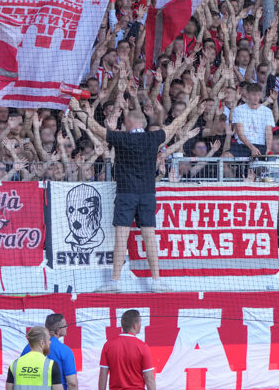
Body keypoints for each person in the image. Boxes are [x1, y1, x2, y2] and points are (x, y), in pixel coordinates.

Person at [69, 97, 198, 292]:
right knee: (149, 237)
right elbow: (175, 125)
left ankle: (115, 282)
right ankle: (156, 281)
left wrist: (77, 109)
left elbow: (95, 128)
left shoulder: (121, 138)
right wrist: (189, 108)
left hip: (126, 194)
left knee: (121, 238)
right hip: (147, 193)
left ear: (130, 123)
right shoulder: (153, 138)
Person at [99, 309, 155, 390]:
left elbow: (102, 375)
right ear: (135, 325)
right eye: (140, 322)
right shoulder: (142, 346)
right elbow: (149, 377)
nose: (141, 325)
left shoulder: (108, 345)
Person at [21, 314, 78, 390]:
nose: (67, 327)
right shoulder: (65, 350)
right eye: (65, 325)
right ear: (58, 330)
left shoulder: (29, 347)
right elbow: (72, 383)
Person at [6, 326, 63, 390]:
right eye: (48, 340)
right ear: (42, 343)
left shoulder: (14, 364)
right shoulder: (51, 365)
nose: (50, 342)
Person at [230, 82, 275, 159]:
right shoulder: (238, 110)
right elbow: (240, 134)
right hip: (242, 145)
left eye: (258, 95)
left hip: (261, 146)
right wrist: (252, 148)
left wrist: (268, 150)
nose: (256, 97)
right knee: (225, 157)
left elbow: (269, 133)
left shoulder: (267, 111)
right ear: (247, 95)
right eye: (253, 94)